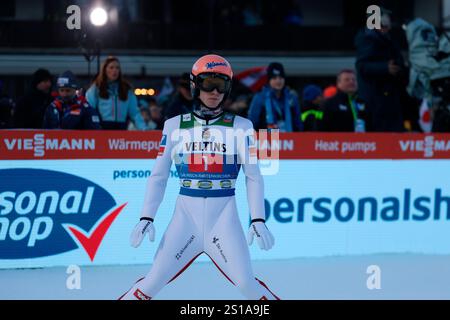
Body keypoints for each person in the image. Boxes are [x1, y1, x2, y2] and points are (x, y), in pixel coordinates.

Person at [119, 54, 279, 300]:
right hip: (185, 221)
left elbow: (254, 176)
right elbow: (158, 175)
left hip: (224, 221)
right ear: (195, 85)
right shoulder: (174, 125)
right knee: (150, 285)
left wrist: (258, 218)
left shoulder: (242, 126)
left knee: (247, 285)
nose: (214, 91)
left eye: (222, 85)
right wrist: (145, 216)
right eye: (207, 83)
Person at [354, 8, 407, 131]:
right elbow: (362, 66)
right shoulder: (368, 39)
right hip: (375, 102)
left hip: (389, 100)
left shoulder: (388, 41)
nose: (387, 28)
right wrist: (384, 68)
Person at [86, 56, 146, 130]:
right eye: (111, 67)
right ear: (104, 70)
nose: (115, 70)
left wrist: (144, 129)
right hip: (102, 130)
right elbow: (89, 110)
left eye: (117, 68)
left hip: (121, 130)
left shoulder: (127, 89)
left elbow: (135, 113)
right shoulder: (96, 88)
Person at [248, 62, 302, 132]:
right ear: (269, 80)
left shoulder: (291, 97)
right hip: (265, 139)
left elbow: (298, 122)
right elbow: (252, 122)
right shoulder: (260, 97)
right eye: (274, 78)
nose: (278, 81)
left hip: (289, 139)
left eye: (281, 77)